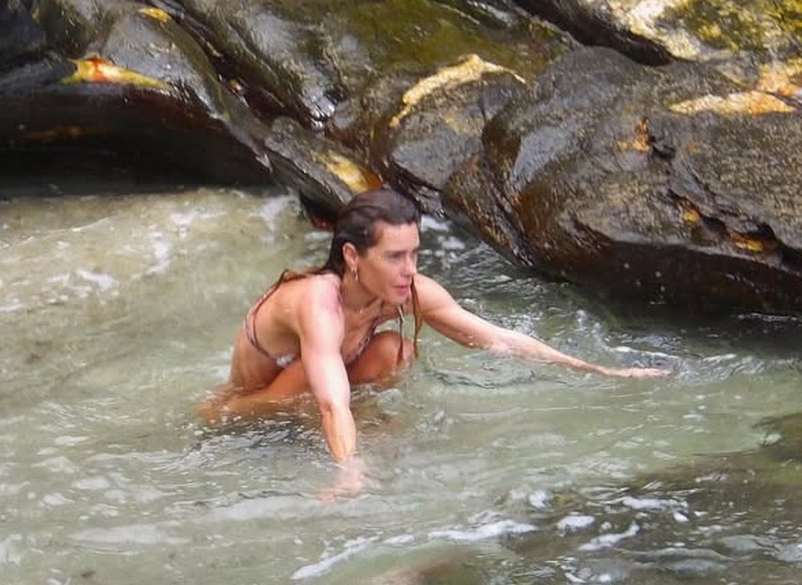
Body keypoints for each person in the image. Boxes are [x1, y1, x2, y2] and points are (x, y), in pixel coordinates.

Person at [204, 187, 668, 488]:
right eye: (394, 257)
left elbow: (496, 338)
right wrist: (349, 472)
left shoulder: (404, 292)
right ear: (352, 256)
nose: (410, 270)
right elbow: (330, 401)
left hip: (319, 396)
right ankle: (347, 450)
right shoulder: (318, 303)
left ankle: (360, 442)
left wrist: (599, 372)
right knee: (315, 374)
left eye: (414, 254)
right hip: (246, 412)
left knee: (396, 349)